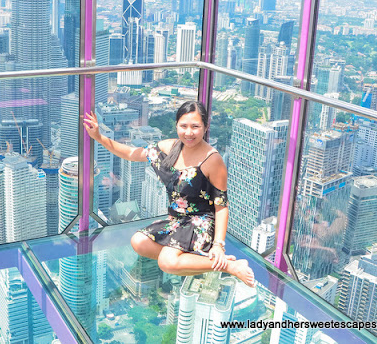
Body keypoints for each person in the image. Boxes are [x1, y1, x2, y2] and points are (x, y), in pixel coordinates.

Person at [84, 101, 255, 287]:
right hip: (177, 221)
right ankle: (191, 260)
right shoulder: (169, 148)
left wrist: (218, 245)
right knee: (138, 242)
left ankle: (229, 266)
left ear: (206, 127)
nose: (189, 133)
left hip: (202, 223)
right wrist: (99, 137)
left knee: (166, 262)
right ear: (176, 126)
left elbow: (221, 207)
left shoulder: (213, 160)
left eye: (195, 127)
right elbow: (133, 153)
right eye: (184, 126)